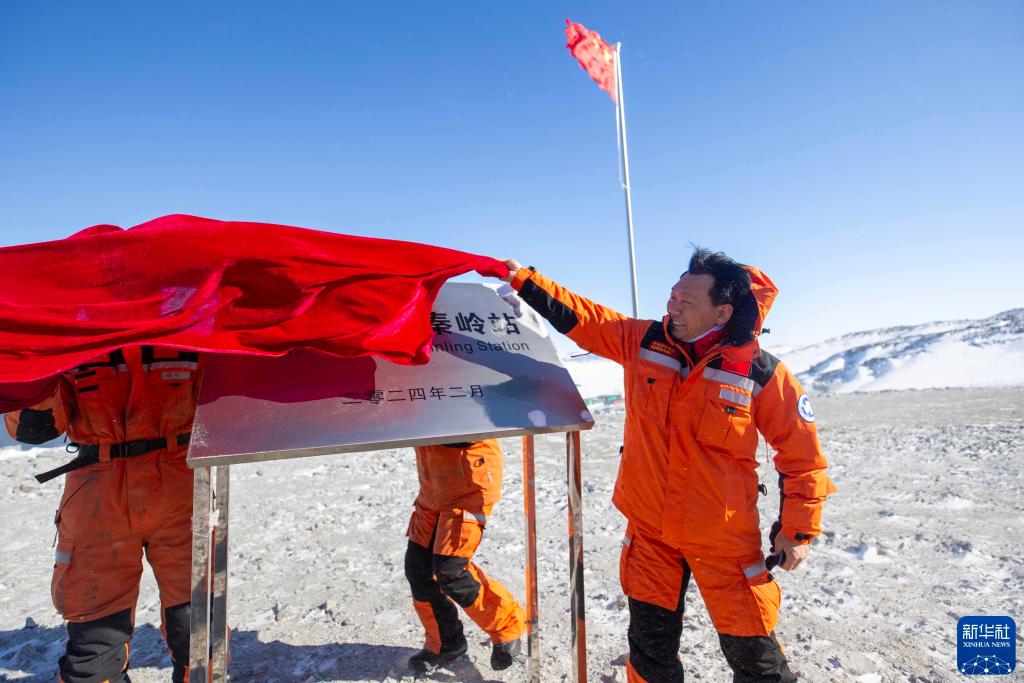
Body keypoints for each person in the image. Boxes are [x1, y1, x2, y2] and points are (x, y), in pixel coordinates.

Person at [495, 249, 836, 682]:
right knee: (650, 652)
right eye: (673, 295)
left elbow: (803, 460)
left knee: (756, 659)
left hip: (723, 540)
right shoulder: (643, 342)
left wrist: (798, 531)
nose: (672, 306)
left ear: (723, 312)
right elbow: (587, 319)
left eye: (686, 301)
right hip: (651, 533)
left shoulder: (762, 373)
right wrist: (526, 280)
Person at [6, 345, 203, 683]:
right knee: (95, 634)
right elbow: (34, 430)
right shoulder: (72, 329)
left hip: (180, 484)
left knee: (198, 624)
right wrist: (30, 362)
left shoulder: (193, 325)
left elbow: (238, 399)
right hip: (98, 489)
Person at [403, 439, 527, 675]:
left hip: (469, 485)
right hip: (434, 487)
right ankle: (446, 643)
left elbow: (472, 422)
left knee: (451, 571)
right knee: (419, 569)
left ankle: (507, 626)